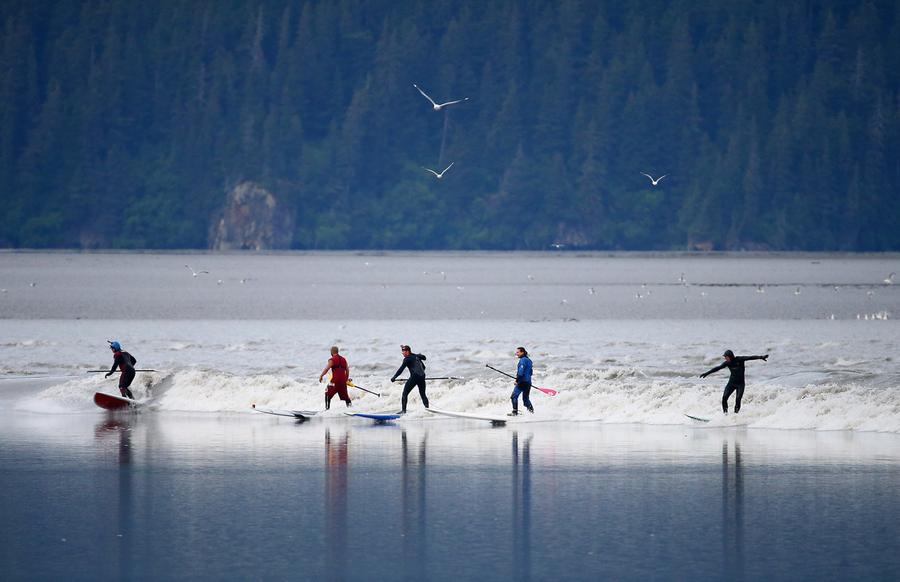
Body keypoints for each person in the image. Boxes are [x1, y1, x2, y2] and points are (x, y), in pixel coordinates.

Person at [699, 349, 769, 414]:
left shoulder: (739, 359)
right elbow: (717, 368)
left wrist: (761, 357)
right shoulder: (727, 363)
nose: (725, 358)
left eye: (726, 357)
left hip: (740, 384)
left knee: (738, 399)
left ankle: (736, 415)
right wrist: (707, 373)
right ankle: (725, 414)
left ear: (730, 356)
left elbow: (750, 357)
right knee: (724, 398)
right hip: (731, 384)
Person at [391, 345, 428, 414]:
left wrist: (394, 377)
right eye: (402, 351)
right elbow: (424, 367)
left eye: (403, 351)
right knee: (423, 394)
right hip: (422, 376)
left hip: (414, 377)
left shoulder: (407, 359)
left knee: (404, 394)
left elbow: (401, 369)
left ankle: (403, 411)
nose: (402, 353)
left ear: (407, 352)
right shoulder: (417, 356)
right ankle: (427, 409)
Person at [319, 346, 352, 410]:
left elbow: (326, 369)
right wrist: (346, 380)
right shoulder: (344, 359)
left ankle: (327, 409)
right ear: (337, 351)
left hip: (335, 381)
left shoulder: (332, 360)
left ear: (331, 352)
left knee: (327, 393)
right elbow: (347, 371)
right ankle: (351, 409)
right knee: (346, 398)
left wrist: (321, 376)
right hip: (343, 382)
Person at [509, 346, 534, 416]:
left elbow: (520, 372)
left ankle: (514, 413)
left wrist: (517, 380)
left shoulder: (522, 360)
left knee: (514, 397)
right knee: (525, 400)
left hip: (522, 382)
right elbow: (531, 373)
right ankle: (532, 413)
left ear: (522, 352)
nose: (516, 353)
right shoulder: (529, 360)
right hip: (528, 383)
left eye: (518, 352)